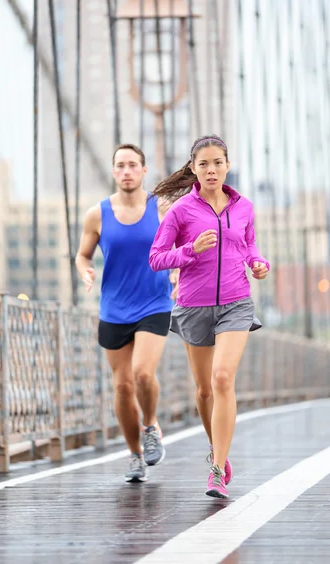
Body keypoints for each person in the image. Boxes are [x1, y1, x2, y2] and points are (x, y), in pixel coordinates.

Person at [149, 134, 269, 499]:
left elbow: (247, 244)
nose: (212, 169)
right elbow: (157, 258)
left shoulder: (244, 207)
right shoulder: (181, 211)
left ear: (227, 165)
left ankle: (217, 469)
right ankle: (218, 448)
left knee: (221, 378)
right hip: (194, 306)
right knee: (203, 391)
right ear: (193, 169)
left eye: (218, 162)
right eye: (204, 164)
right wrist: (189, 249)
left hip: (236, 302)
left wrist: (257, 262)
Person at [76, 143, 177, 483]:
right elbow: (83, 255)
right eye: (120, 165)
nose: (126, 171)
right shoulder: (97, 214)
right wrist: (85, 270)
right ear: (114, 171)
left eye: (133, 165)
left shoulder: (162, 208)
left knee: (143, 374)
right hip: (115, 308)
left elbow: (181, 246)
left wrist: (178, 269)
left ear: (144, 170)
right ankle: (134, 455)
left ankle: (150, 425)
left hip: (154, 302)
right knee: (122, 388)